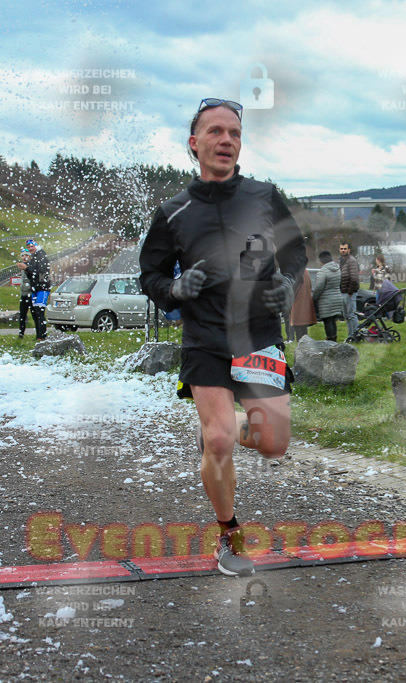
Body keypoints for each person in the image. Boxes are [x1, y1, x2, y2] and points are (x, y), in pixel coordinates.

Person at [139, 98, 306, 577]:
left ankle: (218, 428)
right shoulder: (173, 212)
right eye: (215, 131)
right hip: (205, 335)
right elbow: (148, 274)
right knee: (218, 442)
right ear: (195, 144)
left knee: (273, 444)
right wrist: (173, 287)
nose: (226, 140)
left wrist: (289, 283)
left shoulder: (263, 195)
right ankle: (230, 534)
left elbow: (295, 254)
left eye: (234, 133)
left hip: (258, 334)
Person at [18, 239, 51, 341]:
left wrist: (26, 268)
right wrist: (26, 269)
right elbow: (31, 274)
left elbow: (39, 271)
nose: (30, 249)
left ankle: (42, 336)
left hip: (42, 287)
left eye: (32, 246)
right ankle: (40, 336)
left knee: (40, 312)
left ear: (36, 246)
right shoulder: (34, 257)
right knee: (37, 312)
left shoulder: (41, 255)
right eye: (28, 247)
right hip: (36, 288)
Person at [312, 250, 343, 342]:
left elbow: (319, 287)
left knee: (327, 320)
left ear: (321, 260)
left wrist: (314, 299)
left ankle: (330, 341)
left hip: (326, 300)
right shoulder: (337, 269)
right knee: (333, 320)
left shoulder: (323, 271)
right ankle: (334, 339)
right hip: (337, 297)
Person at [288, 266, 316, 342]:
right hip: (304, 303)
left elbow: (293, 289)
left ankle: (301, 346)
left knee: (298, 327)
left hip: (297, 303)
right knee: (303, 327)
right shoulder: (305, 270)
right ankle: (305, 344)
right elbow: (310, 285)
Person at [338, 241, 360, 338]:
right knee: (346, 316)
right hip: (342, 292)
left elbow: (354, 278)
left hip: (349, 292)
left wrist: (350, 291)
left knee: (351, 315)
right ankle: (350, 335)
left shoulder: (351, 260)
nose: (343, 250)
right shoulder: (341, 261)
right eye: (341, 249)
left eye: (345, 249)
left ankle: (355, 334)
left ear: (349, 250)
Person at [16, 249, 33, 339]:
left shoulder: (31, 266)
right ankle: (21, 334)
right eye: (22, 255)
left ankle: (40, 334)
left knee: (35, 315)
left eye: (26, 255)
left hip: (30, 294)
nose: (24, 257)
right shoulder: (22, 266)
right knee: (22, 315)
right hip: (23, 294)